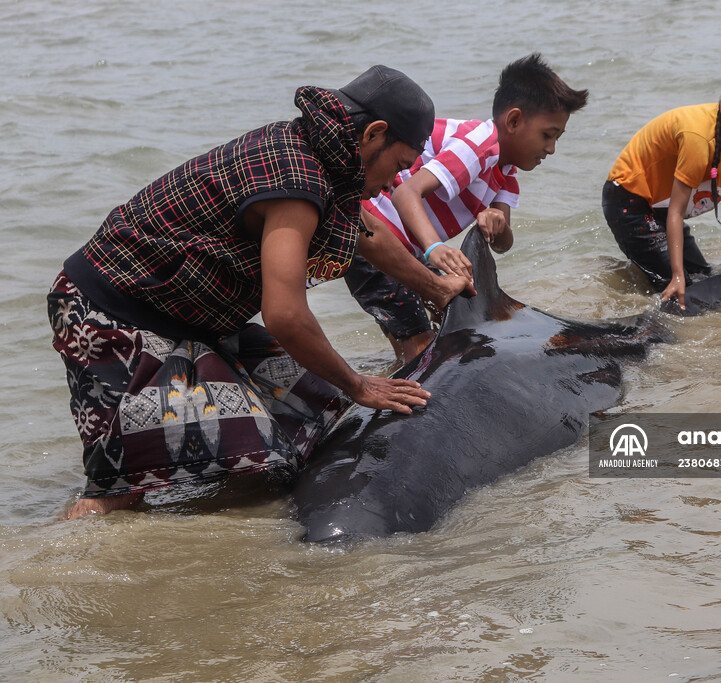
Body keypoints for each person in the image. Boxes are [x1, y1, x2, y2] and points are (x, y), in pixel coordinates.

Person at [48, 66, 472, 520]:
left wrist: (437, 288)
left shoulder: (323, 158)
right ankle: (72, 552)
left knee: (321, 411)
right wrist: (360, 383)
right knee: (130, 481)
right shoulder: (297, 178)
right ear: (374, 133)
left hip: (191, 320)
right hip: (110, 311)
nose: (394, 182)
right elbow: (285, 315)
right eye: (400, 165)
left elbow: (366, 233)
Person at [344, 53, 589, 362]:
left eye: (557, 138)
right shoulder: (481, 144)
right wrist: (434, 247)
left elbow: (503, 244)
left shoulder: (507, 173)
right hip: (372, 234)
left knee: (454, 316)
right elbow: (406, 193)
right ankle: (406, 396)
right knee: (418, 345)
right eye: (547, 135)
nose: (551, 149)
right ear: (513, 121)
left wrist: (496, 221)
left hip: (408, 248)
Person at [603, 68, 721, 310]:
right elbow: (677, 213)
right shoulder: (699, 140)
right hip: (628, 199)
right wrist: (677, 275)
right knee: (681, 291)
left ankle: (636, 272)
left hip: (661, 204)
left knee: (703, 275)